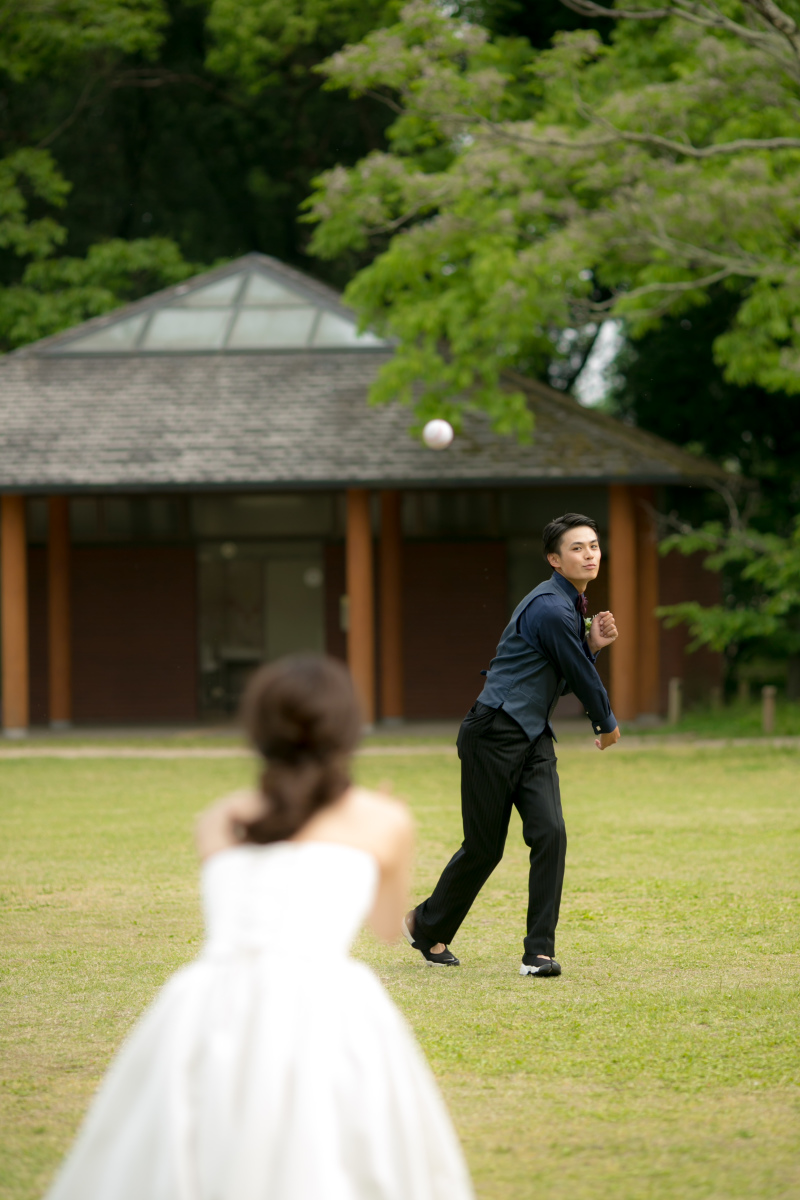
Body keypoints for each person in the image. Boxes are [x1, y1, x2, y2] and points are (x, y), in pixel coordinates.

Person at [45, 655, 474, 1200]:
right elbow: (389, 928)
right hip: (327, 1003)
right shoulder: (383, 820)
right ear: (347, 729)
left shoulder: (219, 819)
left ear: (257, 731)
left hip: (210, 1004)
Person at [404, 513, 620, 977]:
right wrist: (605, 720)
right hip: (494, 732)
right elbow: (578, 678)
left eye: (594, 546)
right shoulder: (550, 608)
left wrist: (591, 646)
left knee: (551, 833)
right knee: (484, 848)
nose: (589, 554)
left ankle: (538, 953)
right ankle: (426, 923)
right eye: (577, 548)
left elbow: (559, 678)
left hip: (533, 735)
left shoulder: (568, 605)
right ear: (554, 560)